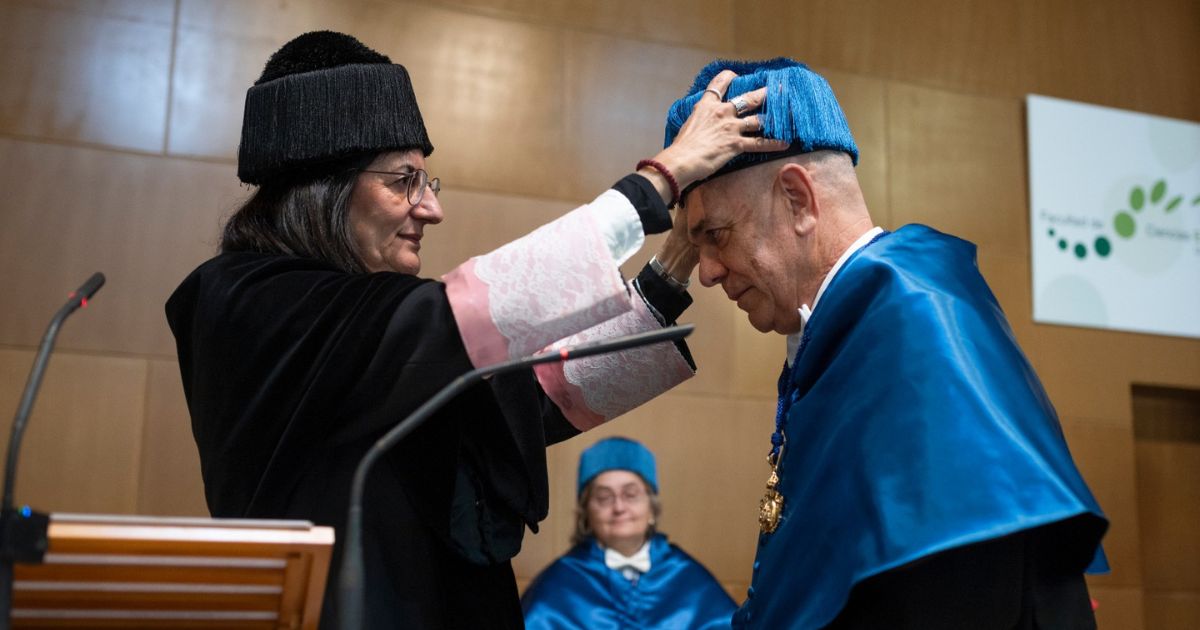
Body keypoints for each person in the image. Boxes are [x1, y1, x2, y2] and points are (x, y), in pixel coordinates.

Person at [164, 31, 785, 629]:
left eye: (425, 182)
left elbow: (531, 398)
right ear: (323, 188)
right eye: (405, 180)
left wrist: (669, 271)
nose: (431, 207)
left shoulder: (366, 329)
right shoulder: (244, 302)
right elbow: (466, 316)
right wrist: (663, 175)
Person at [657, 58, 1109, 629]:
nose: (707, 273)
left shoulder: (919, 334)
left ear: (798, 200)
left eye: (714, 236)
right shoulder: (860, 329)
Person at [522, 437, 736, 629]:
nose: (619, 507)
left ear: (652, 508)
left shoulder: (689, 577)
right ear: (586, 512)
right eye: (604, 497)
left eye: (631, 494)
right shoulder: (558, 585)